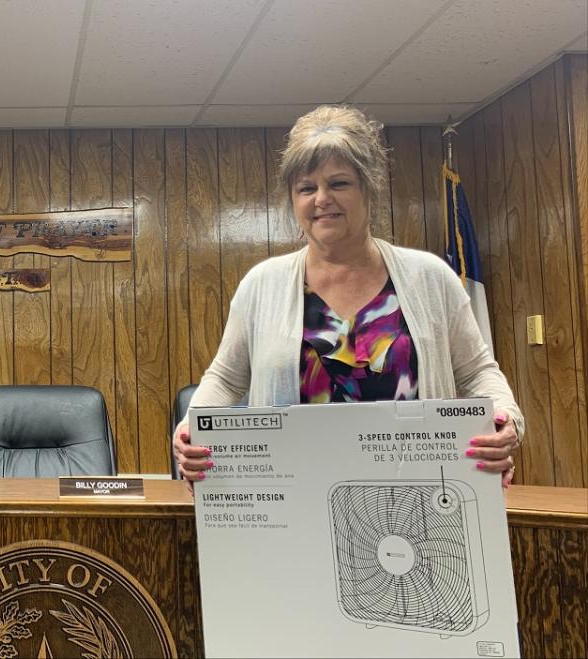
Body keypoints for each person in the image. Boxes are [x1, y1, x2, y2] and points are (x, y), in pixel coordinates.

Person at [173, 104, 522, 488]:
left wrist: (505, 419)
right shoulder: (262, 285)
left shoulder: (431, 278)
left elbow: (477, 372)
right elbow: (225, 378)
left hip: (417, 498)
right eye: (306, 188)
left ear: (368, 187)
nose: (321, 198)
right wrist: (193, 427)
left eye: (338, 183)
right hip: (296, 502)